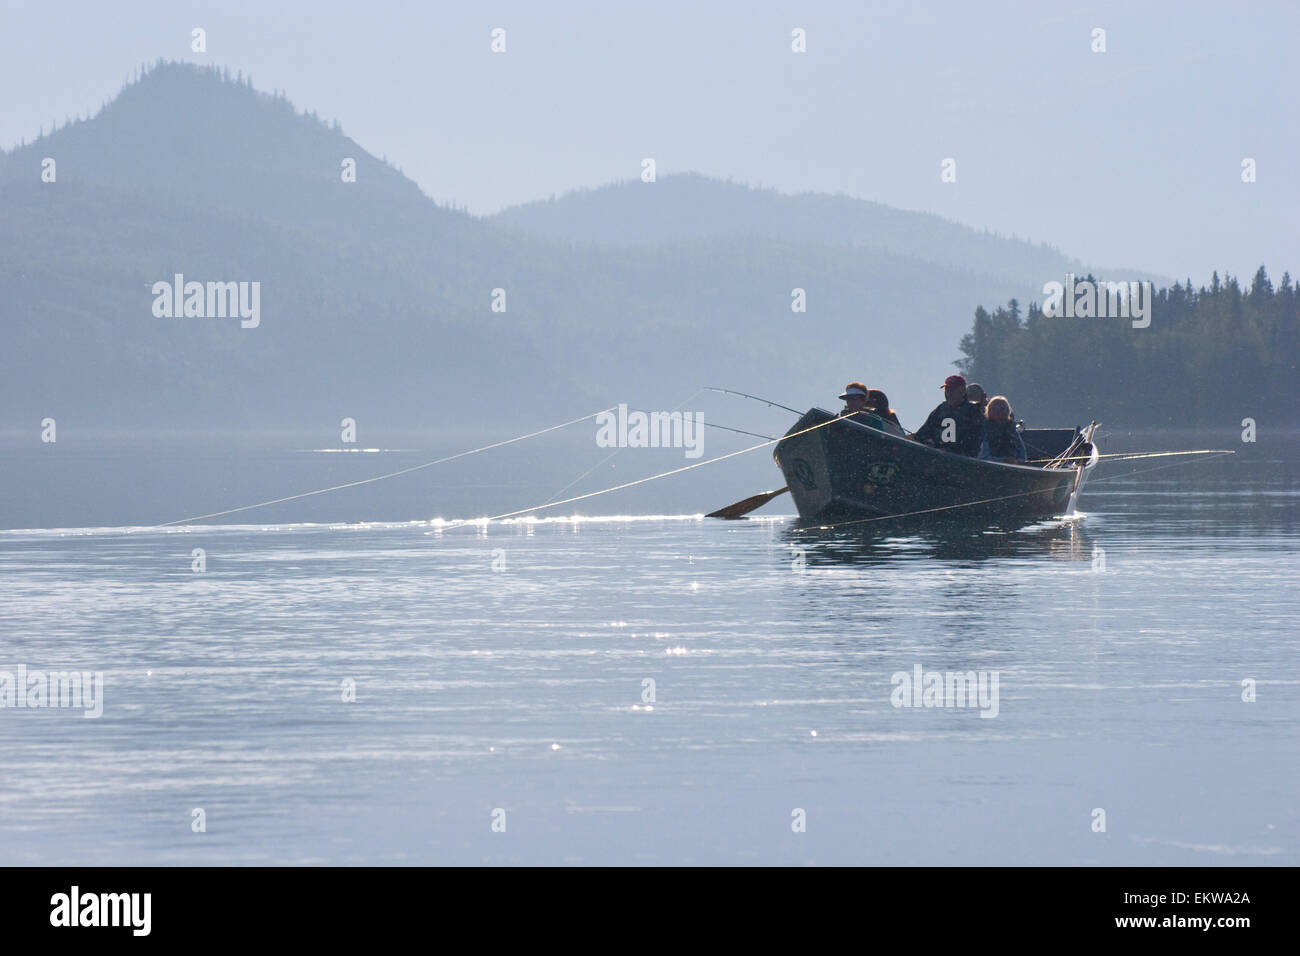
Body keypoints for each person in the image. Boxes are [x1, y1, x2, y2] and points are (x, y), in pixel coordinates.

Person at [912, 374, 984, 456]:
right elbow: (922, 433)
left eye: (953, 390)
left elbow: (975, 440)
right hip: (936, 455)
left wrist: (957, 451)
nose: (949, 394)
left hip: (959, 459)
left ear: (963, 391)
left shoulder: (973, 412)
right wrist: (928, 441)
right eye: (947, 390)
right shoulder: (941, 409)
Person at [979, 396, 1028, 464]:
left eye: (1002, 408)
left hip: (1013, 467)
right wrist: (1003, 461)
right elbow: (983, 457)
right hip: (991, 467)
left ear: (1008, 411)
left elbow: (1022, 455)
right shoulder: (984, 429)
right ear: (989, 411)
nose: (998, 411)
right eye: (994, 408)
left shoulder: (1012, 430)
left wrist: (1017, 461)